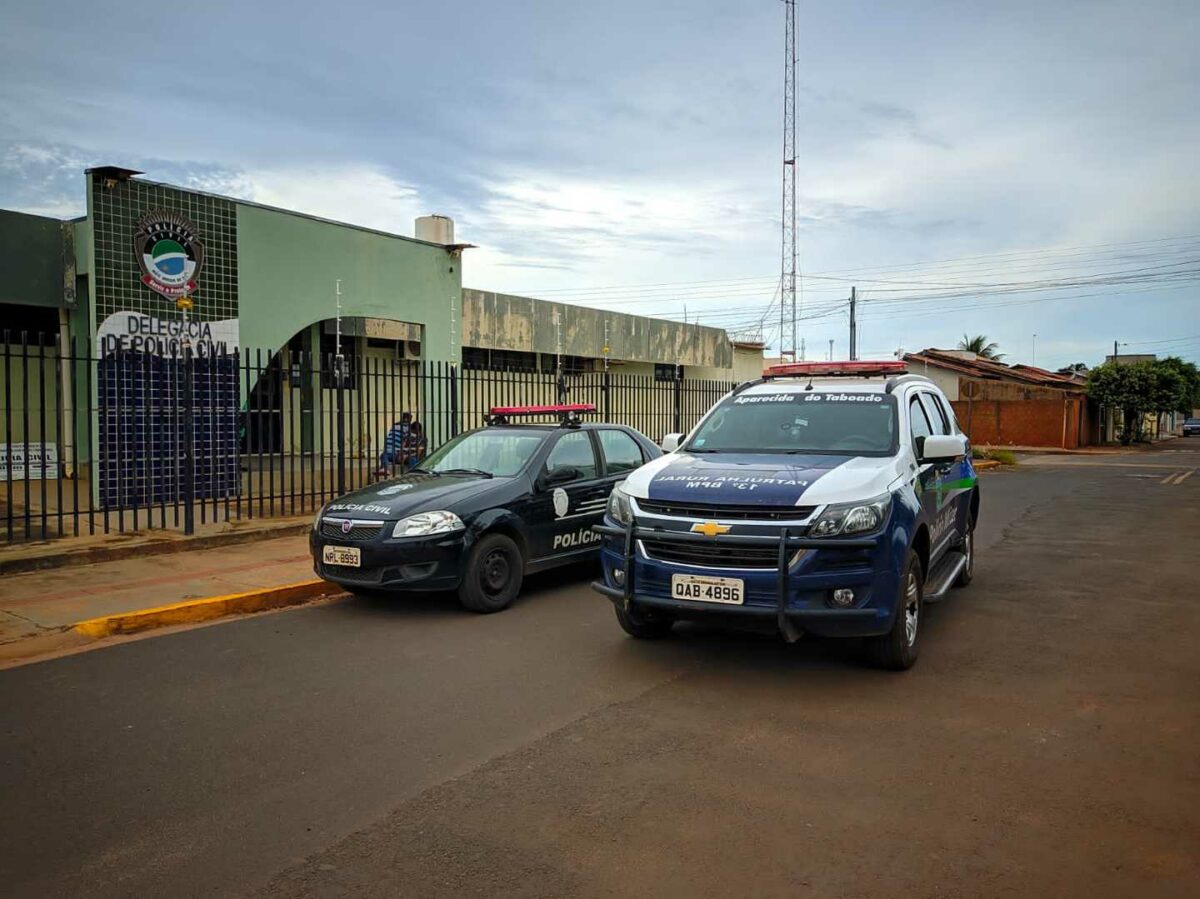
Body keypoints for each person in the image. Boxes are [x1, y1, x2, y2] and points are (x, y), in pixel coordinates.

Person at [377, 413, 412, 477]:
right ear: (410, 419)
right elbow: (406, 441)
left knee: (384, 455)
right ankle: (384, 468)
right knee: (385, 455)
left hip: (389, 448)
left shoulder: (395, 425)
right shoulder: (408, 428)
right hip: (395, 450)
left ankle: (384, 468)